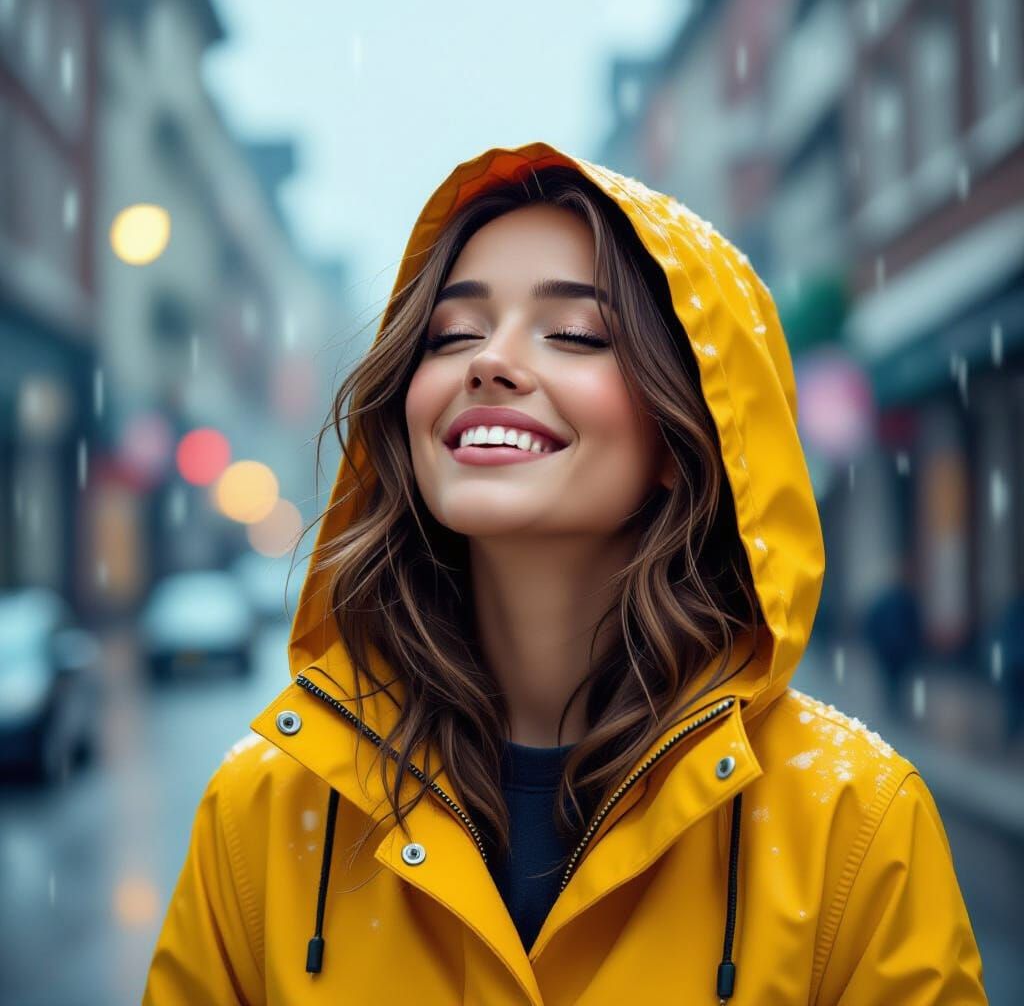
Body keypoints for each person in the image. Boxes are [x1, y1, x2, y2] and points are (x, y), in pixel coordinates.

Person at [142, 143, 987, 1004]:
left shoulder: (855, 823)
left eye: (575, 333)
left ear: (689, 434)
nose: (488, 361)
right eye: (453, 334)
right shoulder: (265, 811)